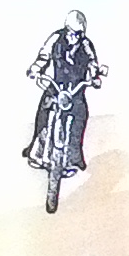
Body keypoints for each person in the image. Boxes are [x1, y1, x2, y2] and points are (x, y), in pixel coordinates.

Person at [24, 10, 103, 182]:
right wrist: (35, 69)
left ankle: (72, 160)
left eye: (78, 34)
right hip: (56, 86)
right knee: (44, 110)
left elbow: (92, 63)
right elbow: (43, 55)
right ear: (66, 29)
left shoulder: (86, 44)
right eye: (71, 32)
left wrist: (94, 76)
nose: (74, 37)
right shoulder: (55, 38)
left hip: (75, 90)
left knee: (80, 116)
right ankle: (37, 153)